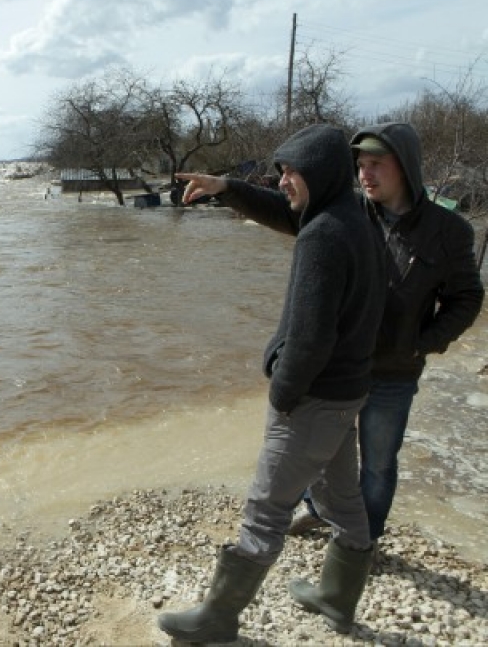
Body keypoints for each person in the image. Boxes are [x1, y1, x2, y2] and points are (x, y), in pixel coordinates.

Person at [156, 123, 386, 643]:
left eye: (291, 172)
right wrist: (229, 189)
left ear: (322, 174)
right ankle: (336, 599)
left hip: (313, 397)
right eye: (280, 171)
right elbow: (290, 215)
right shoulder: (352, 216)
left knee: (266, 508)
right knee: (343, 498)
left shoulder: (324, 235)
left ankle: (217, 618)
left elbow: (309, 336)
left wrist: (283, 395)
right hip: (348, 390)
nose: (283, 180)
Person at [290, 122, 485, 541]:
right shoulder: (347, 213)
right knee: (320, 453)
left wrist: (423, 344)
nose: (365, 174)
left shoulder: (450, 231)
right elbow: (283, 209)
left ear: (406, 167)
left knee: (377, 464)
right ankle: (318, 511)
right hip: (339, 367)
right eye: (360, 165)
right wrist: (227, 188)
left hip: (395, 373)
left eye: (376, 164)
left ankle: (363, 540)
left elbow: (467, 298)